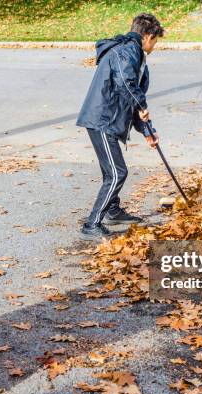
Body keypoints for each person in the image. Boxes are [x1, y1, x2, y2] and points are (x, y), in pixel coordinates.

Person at [76, 13, 164, 240]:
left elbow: (132, 95)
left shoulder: (135, 56)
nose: (155, 46)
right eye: (155, 41)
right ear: (147, 36)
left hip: (107, 119)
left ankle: (113, 211)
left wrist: (147, 131)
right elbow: (127, 84)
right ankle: (91, 225)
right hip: (102, 119)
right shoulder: (128, 51)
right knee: (117, 173)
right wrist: (141, 104)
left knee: (111, 170)